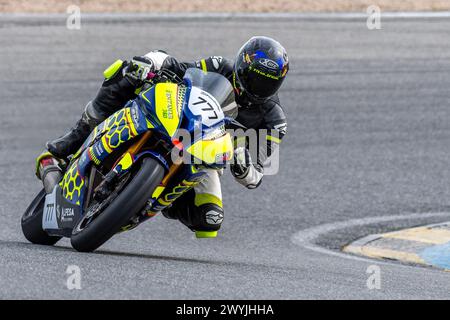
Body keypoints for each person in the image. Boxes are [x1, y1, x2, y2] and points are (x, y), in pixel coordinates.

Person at [38, 36, 289, 238]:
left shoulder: (274, 121)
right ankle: (72, 139)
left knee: (209, 220)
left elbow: (258, 174)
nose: (257, 87)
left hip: (205, 157)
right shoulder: (220, 66)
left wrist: (244, 168)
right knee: (127, 71)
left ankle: (149, 198)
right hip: (177, 119)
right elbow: (182, 69)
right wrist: (156, 63)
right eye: (254, 78)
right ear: (242, 67)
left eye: (266, 84)